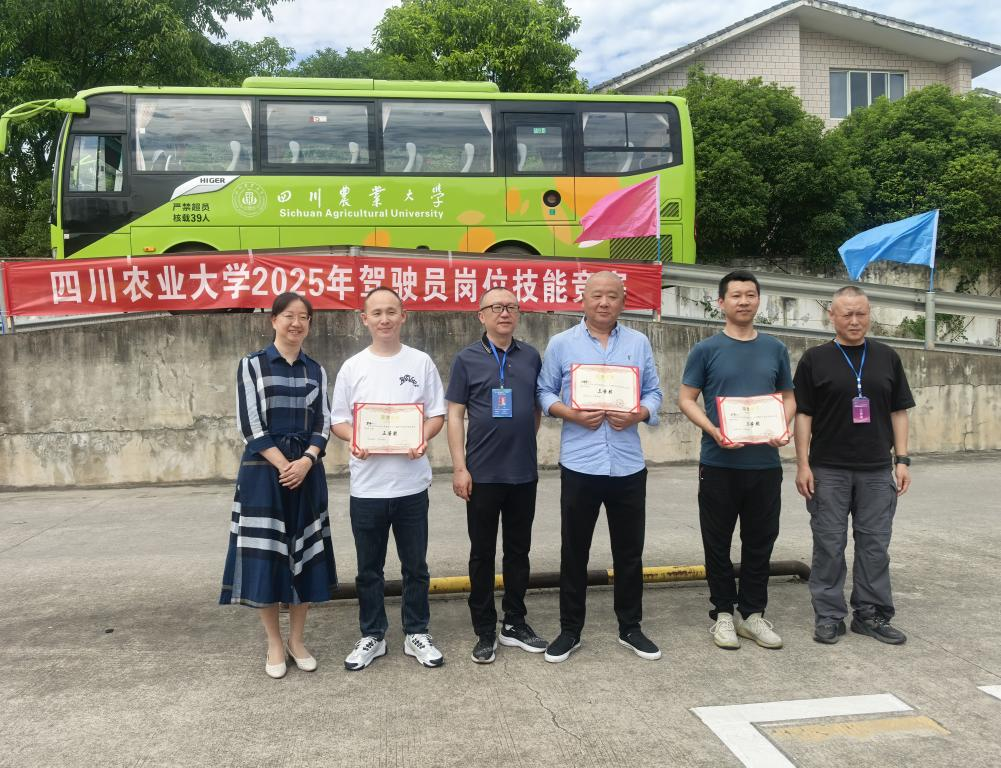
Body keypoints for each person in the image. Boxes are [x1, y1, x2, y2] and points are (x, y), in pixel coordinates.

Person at [536, 271, 664, 663]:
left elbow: (654, 392)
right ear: (584, 299)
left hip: (627, 465)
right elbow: (543, 391)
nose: (604, 302)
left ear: (623, 301)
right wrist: (570, 414)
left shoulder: (638, 343)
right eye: (597, 295)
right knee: (575, 552)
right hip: (581, 464)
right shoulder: (562, 343)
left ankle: (631, 627)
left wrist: (639, 413)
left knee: (629, 552)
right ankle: (570, 630)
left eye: (612, 296)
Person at [220, 292, 337, 679]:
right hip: (263, 472)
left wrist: (306, 461)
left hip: (306, 472)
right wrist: (285, 464)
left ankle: (297, 640)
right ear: (273, 320)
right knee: (266, 558)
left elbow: (323, 423)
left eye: (304, 317)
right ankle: (274, 641)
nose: (296, 323)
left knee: (305, 555)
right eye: (289, 315)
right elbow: (250, 425)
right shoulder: (251, 365)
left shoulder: (315, 369)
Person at [331, 286, 447, 669]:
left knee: (416, 567)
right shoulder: (353, 367)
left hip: (411, 485)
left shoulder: (421, 362)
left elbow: (436, 414)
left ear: (403, 316)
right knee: (369, 570)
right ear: (364, 319)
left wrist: (422, 437)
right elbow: (338, 420)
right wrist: (356, 439)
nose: (384, 319)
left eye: (391, 312)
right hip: (367, 488)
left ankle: (416, 632)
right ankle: (373, 635)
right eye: (377, 313)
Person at [678, 270, 795, 651]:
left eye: (750, 295)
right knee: (717, 542)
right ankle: (724, 614)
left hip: (764, 464)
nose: (743, 301)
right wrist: (713, 430)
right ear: (721, 302)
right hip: (719, 463)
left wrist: (782, 426)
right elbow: (686, 398)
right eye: (736, 295)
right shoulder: (706, 349)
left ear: (759, 300)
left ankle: (753, 614)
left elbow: (788, 397)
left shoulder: (775, 348)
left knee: (760, 541)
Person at [793, 285, 914, 645]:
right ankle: (829, 615)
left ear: (869, 314)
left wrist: (902, 459)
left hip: (876, 469)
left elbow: (899, 411)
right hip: (828, 469)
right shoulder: (815, 359)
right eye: (847, 314)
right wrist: (802, 464)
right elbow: (803, 415)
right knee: (829, 546)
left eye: (861, 313)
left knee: (875, 546)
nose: (855, 320)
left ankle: (870, 614)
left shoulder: (887, 357)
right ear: (831, 316)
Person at [446, 287, 547, 664]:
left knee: (519, 551)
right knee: (482, 554)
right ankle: (485, 629)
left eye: (511, 307)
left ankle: (515, 622)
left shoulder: (531, 356)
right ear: (481, 315)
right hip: (482, 474)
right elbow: (455, 414)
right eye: (496, 307)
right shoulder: (466, 359)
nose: (504, 313)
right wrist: (460, 467)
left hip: (522, 473)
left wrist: (520, 440)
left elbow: (536, 409)